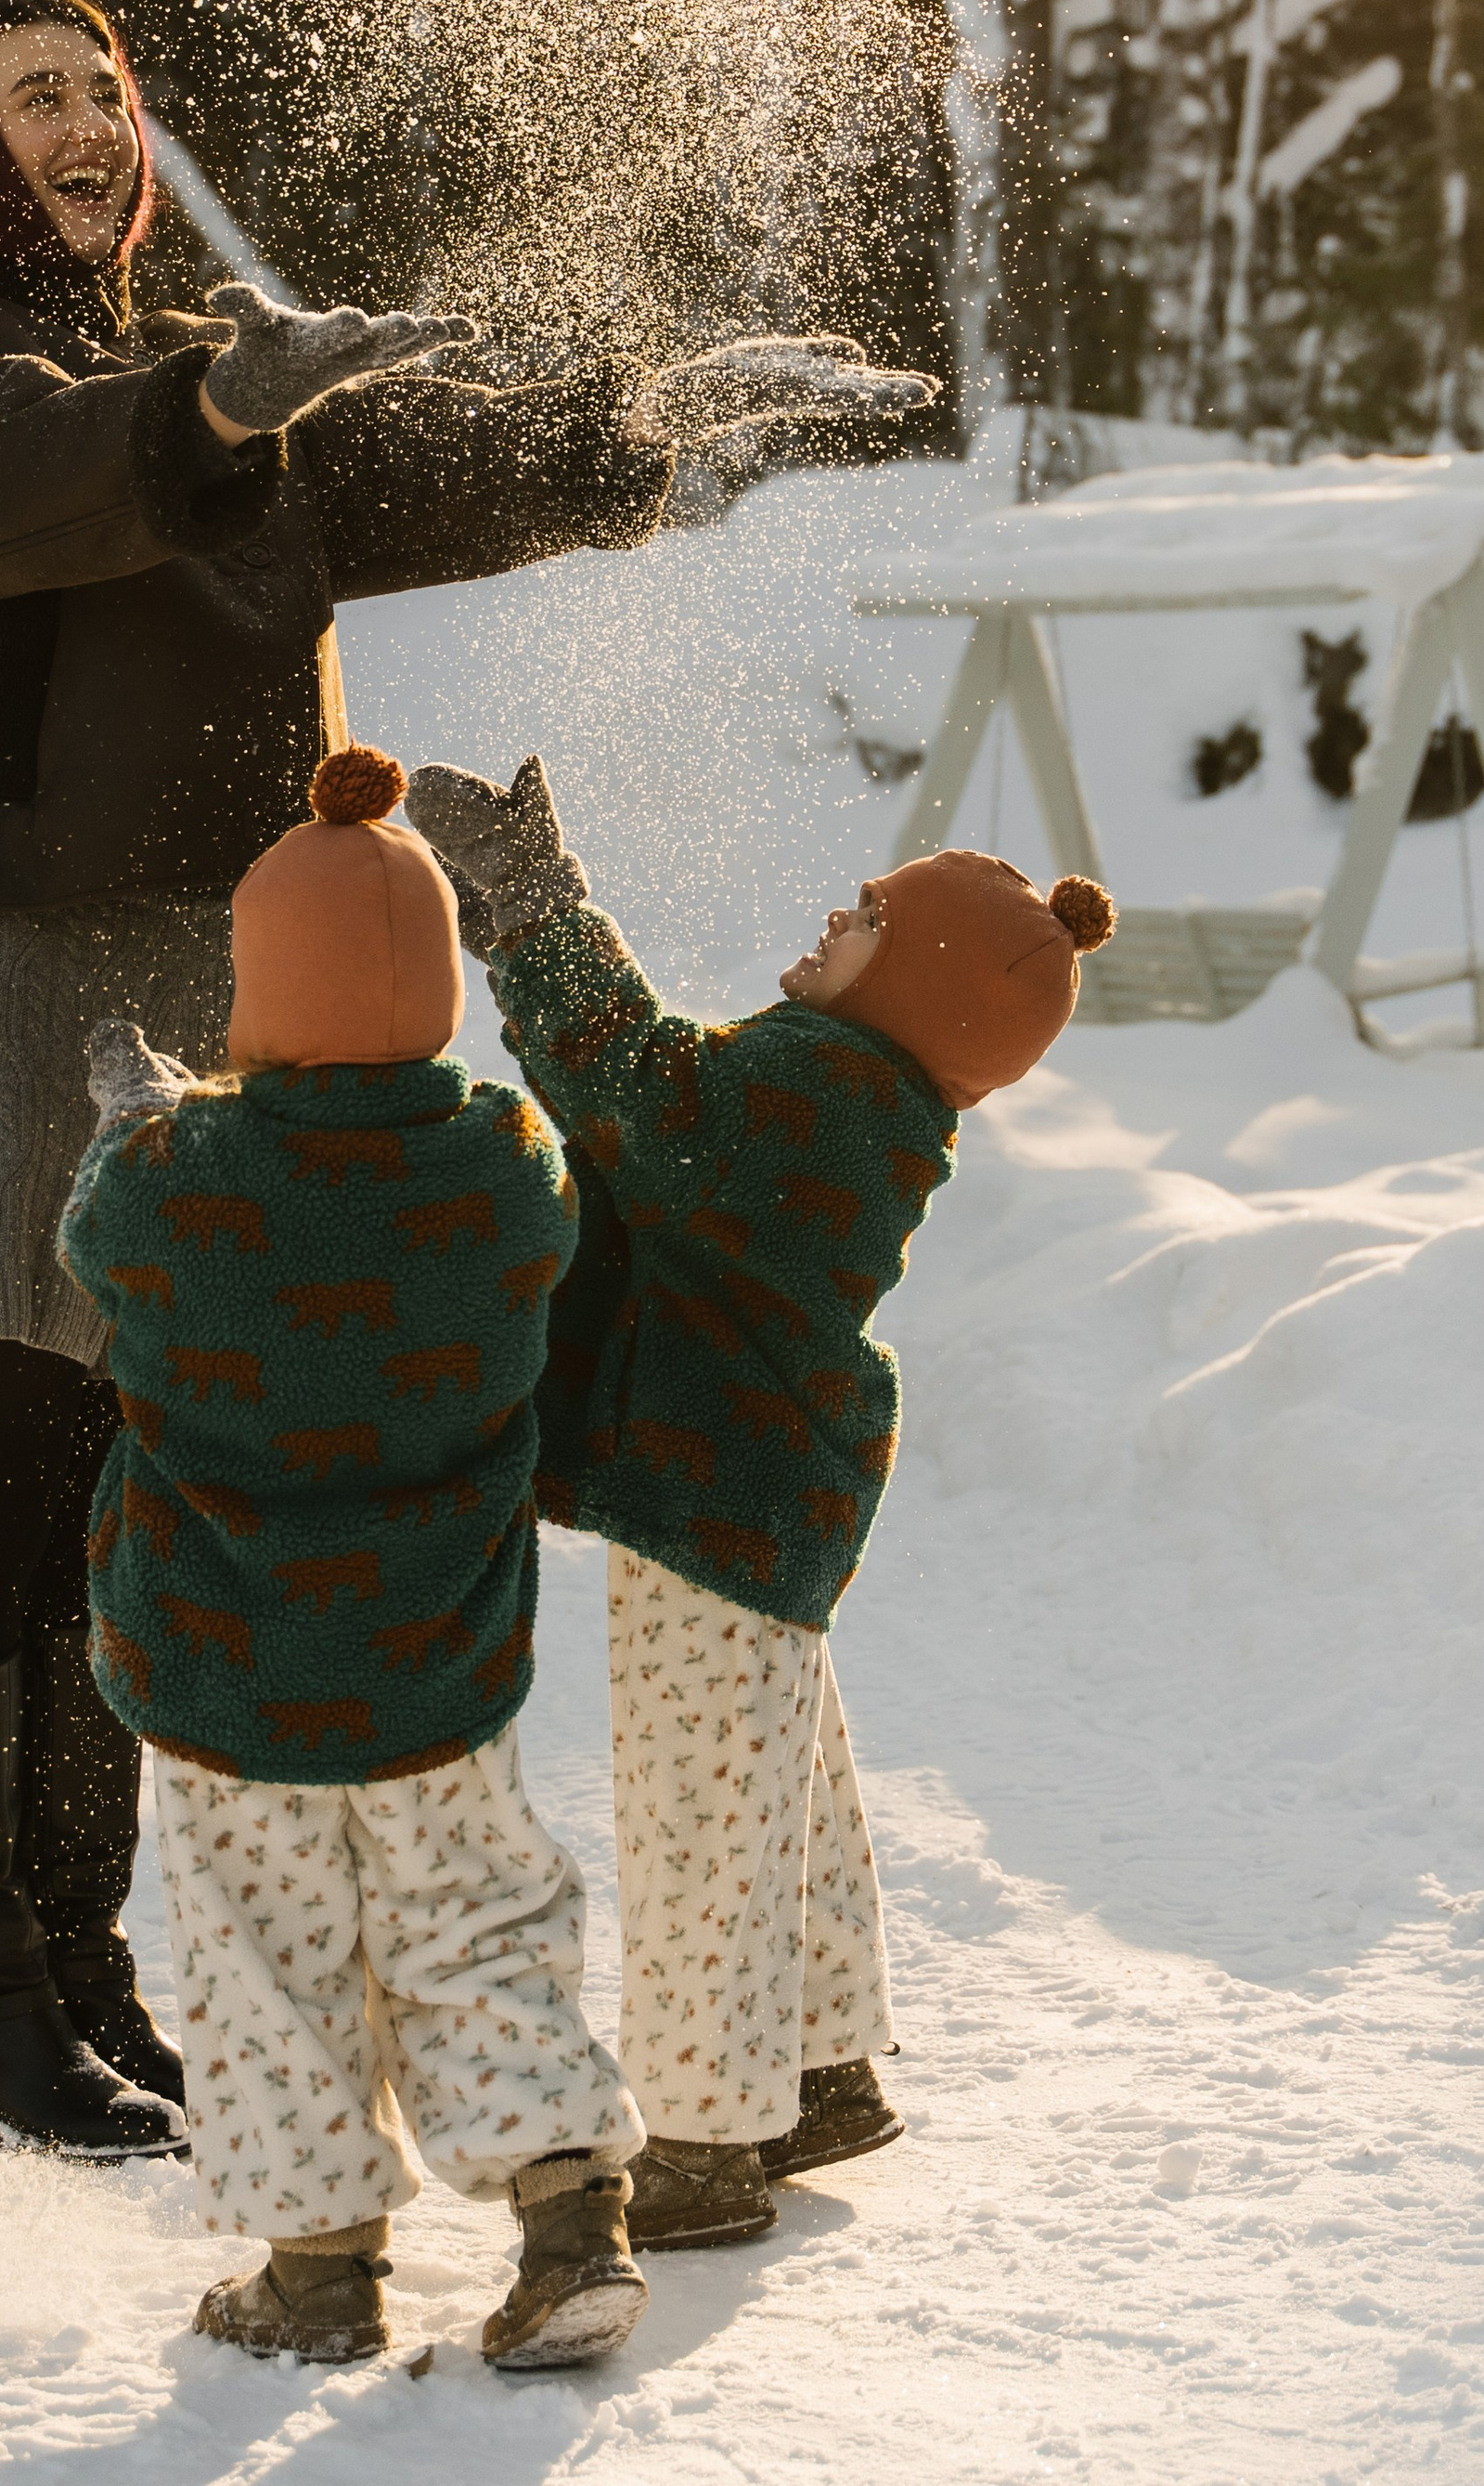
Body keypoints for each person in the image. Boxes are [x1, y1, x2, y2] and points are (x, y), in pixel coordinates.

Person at [0, 0, 927, 2156]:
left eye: (105, 86)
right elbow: (19, 484)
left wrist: (648, 434)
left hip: (210, 962)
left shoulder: (173, 362)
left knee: (133, 1482)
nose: (84, 122)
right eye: (33, 96)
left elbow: (387, 471)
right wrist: (212, 411)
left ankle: (92, 1958)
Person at [403, 753, 1115, 2250]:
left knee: (698, 1813)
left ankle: (713, 2140)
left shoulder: (823, 1094)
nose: (834, 918)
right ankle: (824, 2058)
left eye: (867, 915)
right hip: (755, 1492)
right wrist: (529, 926)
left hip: (722, 1497)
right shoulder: (840, 1089)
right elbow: (648, 1110)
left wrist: (540, 906)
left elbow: (647, 1095)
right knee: (781, 1768)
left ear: (917, 983)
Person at [60, 745, 649, 2375]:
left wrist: (143, 1118)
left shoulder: (183, 1182)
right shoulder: (505, 1165)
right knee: (474, 1918)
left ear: (257, 998)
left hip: (225, 1666)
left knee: (261, 1955)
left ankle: (317, 2273)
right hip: (433, 1664)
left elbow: (101, 1235)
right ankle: (568, 2222)